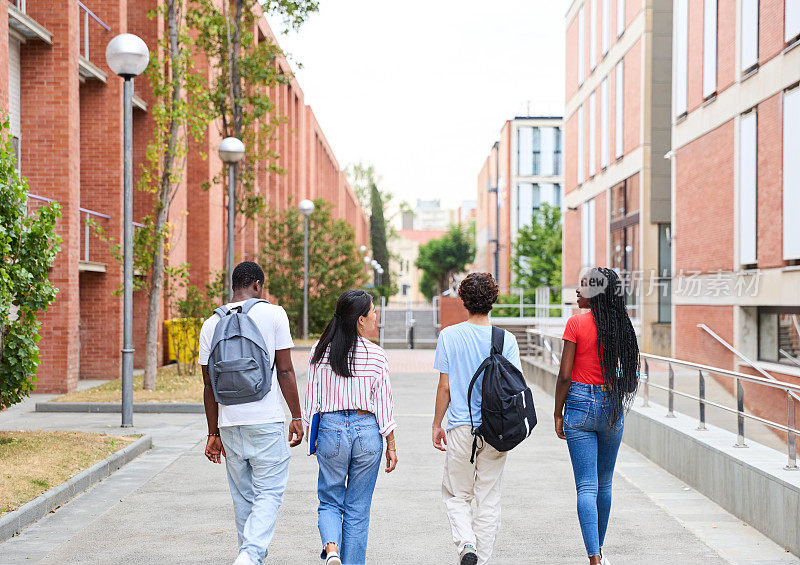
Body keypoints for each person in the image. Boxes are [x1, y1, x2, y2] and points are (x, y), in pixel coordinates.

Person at [199, 261, 304, 565]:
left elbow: (209, 386)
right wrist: (296, 416)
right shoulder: (273, 314)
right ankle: (250, 555)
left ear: (234, 286)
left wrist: (213, 433)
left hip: (230, 425)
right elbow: (285, 371)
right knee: (269, 493)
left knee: (243, 499)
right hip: (266, 421)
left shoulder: (210, 324)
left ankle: (248, 557)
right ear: (257, 286)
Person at [432, 272, 522, 565]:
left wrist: (437, 424)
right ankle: (480, 560)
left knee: (457, 494)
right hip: (496, 429)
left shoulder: (449, 335)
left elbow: (445, 386)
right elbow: (515, 387)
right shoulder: (506, 339)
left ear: (463, 301)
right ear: (494, 300)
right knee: (489, 497)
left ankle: (466, 543)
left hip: (460, 427)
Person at [303, 289, 398, 565]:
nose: (376, 316)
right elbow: (384, 406)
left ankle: (332, 550)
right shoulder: (377, 356)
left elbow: (312, 400)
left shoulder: (319, 351)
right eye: (373, 312)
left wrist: (312, 435)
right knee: (357, 509)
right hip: (367, 431)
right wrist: (391, 444)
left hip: (330, 429)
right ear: (360, 320)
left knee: (330, 499)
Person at [554, 267, 639, 565]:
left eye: (584, 287)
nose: (577, 291)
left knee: (586, 486)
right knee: (604, 484)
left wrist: (557, 413)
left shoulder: (575, 324)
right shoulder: (623, 327)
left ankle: (594, 556)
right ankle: (599, 550)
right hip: (613, 405)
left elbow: (564, 375)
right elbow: (630, 382)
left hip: (578, 404)